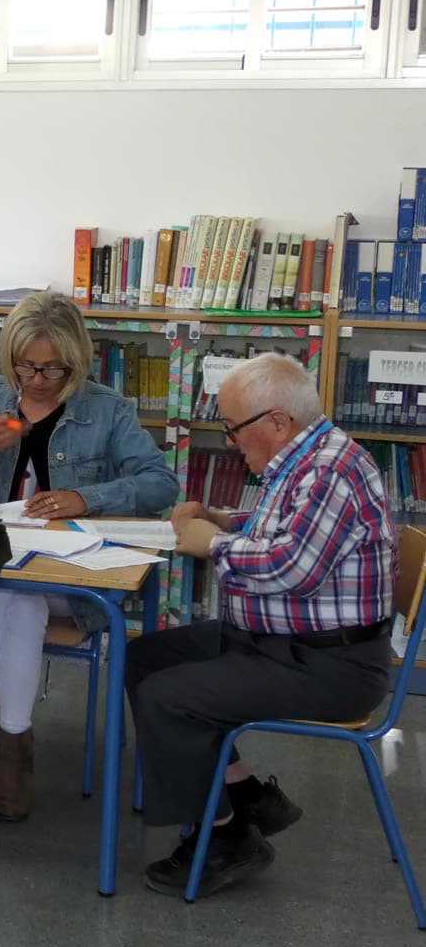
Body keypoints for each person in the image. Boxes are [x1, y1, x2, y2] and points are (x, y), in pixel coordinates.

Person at [128, 352, 395, 897]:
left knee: (166, 696)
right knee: (143, 659)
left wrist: (215, 544)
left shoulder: (331, 470)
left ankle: (226, 838)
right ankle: (245, 793)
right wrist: (226, 521)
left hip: (329, 665)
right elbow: (287, 526)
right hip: (283, 644)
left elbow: (292, 568)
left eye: (233, 429)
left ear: (277, 421)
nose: (229, 442)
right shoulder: (308, 457)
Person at [0, 291, 176, 820]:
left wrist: (89, 498)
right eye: (25, 366)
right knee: (16, 594)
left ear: (75, 361)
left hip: (72, 576)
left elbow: (160, 484)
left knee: (20, 593)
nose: (35, 380)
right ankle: (12, 746)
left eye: (51, 369)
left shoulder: (107, 410)